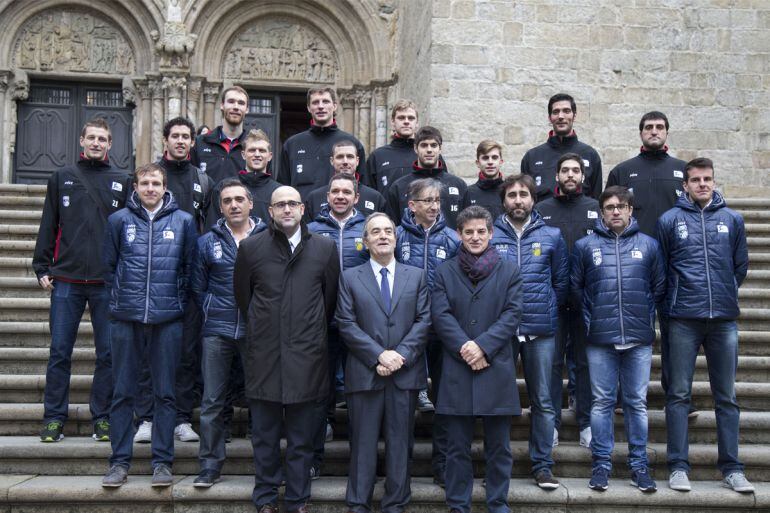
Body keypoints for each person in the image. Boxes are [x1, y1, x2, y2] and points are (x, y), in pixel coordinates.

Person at [234, 186, 340, 513]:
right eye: (280, 204)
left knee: (301, 439)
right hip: (264, 356)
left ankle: (297, 499)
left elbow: (329, 301)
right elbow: (244, 298)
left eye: (293, 203)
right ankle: (265, 498)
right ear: (270, 211)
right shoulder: (251, 249)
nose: (287, 209)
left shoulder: (324, 249)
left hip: (307, 358)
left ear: (303, 209)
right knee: (264, 437)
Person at [658, 158, 753, 494]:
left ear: (714, 181)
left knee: (726, 397)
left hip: (723, 320)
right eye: (695, 179)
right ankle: (678, 466)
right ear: (684, 184)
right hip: (684, 318)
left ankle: (732, 467)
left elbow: (739, 266)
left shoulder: (732, 219)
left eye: (707, 179)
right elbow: (663, 269)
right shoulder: (670, 220)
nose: (702, 184)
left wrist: (724, 293)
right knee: (679, 394)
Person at [34, 118, 131, 443]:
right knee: (60, 351)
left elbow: (126, 233)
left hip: (106, 283)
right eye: (91, 137)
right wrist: (41, 265)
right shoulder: (61, 178)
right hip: (66, 280)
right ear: (81, 140)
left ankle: (101, 417)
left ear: (110, 144)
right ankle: (53, 418)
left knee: (107, 354)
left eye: (103, 138)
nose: (97, 143)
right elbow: (49, 222)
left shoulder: (122, 180)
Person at [101, 163, 198, 488]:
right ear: (136, 187)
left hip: (167, 319)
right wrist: (118, 302)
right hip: (125, 318)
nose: (151, 188)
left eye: (156, 183)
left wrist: (177, 303)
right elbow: (110, 267)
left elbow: (189, 268)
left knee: (165, 393)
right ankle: (119, 462)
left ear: (164, 186)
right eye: (145, 183)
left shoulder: (184, 222)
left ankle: (162, 463)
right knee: (123, 392)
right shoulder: (119, 221)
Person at [571, 185, 665, 493]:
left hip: (638, 338)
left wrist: (644, 319)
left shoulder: (649, 245)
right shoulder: (586, 246)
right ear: (601, 211)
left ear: (629, 210)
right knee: (602, 403)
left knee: (636, 403)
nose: (615, 211)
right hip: (600, 339)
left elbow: (658, 287)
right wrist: (591, 322)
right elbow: (577, 289)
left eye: (620, 206)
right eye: (609, 206)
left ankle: (639, 466)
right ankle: (601, 464)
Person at [335, 212, 431, 513]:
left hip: (404, 373)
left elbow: (424, 320)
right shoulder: (350, 277)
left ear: (396, 236)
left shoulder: (415, 275)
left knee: (400, 442)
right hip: (365, 373)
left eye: (388, 230)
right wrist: (378, 355)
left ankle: (395, 503)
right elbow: (345, 323)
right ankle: (358, 503)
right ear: (366, 240)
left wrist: (398, 356)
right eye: (375, 231)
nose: (383, 235)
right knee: (362, 443)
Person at [431, 206, 523, 513]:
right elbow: (441, 316)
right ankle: (459, 504)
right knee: (456, 448)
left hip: (495, 366)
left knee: (499, 447)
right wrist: (465, 349)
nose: (475, 237)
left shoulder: (509, 269)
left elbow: (512, 314)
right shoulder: (444, 271)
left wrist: (482, 347)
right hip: (457, 368)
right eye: (468, 232)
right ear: (459, 234)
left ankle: (498, 502)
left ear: (491, 233)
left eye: (481, 231)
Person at [134, 116, 214, 445]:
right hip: (153, 278)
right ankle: (148, 417)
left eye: (186, 137)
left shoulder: (203, 180)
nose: (180, 141)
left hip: (190, 280)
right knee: (147, 351)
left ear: (193, 143)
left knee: (186, 353)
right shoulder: (150, 177)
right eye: (175, 136)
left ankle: (182, 417)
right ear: (165, 140)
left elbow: (207, 231)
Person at [607, 111, 690, 417]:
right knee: (623, 329)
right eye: (648, 127)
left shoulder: (683, 171)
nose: (654, 131)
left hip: (674, 267)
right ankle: (618, 396)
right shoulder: (622, 171)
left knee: (674, 335)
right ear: (640, 132)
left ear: (667, 132)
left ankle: (677, 396)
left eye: (659, 127)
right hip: (631, 266)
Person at [491, 174, 569, 489]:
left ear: (533, 199)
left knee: (544, 400)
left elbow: (560, 283)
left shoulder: (552, 235)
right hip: (502, 331)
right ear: (504, 200)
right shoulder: (491, 234)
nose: (518, 200)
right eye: (512, 195)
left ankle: (542, 465)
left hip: (541, 330)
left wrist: (546, 308)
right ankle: (497, 467)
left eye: (524, 194)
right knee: (498, 400)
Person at [191, 179, 266, 487]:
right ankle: (209, 466)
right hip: (217, 330)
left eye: (239, 199)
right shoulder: (207, 242)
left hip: (257, 331)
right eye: (227, 201)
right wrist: (210, 308)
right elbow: (197, 286)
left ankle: (266, 467)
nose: (234, 205)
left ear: (250, 203)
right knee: (212, 401)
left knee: (261, 400)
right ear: (220, 207)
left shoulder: (268, 238)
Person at [395, 177, 460, 486]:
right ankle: (400, 467)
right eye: (427, 201)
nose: (434, 206)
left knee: (445, 399)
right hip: (406, 332)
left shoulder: (452, 240)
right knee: (404, 401)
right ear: (412, 205)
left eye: (437, 200)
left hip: (443, 331)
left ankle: (443, 464)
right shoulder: (395, 237)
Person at [308, 173, 370, 476]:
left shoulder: (369, 229)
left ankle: (361, 460)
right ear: (327, 195)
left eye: (347, 192)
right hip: (321, 322)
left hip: (360, 324)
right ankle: (314, 459)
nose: (341, 196)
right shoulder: (311, 230)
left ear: (356, 197)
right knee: (320, 392)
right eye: (336, 191)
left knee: (360, 390)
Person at [536, 153, 600, 448]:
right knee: (551, 365)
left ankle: (586, 422)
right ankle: (551, 424)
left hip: (587, 300)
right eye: (565, 170)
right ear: (556, 176)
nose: (571, 175)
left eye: (576, 170)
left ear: (583, 176)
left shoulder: (595, 208)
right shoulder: (542, 209)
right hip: (553, 300)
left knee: (585, 363)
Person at [279, 87, 365, 200]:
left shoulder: (352, 144)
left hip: (340, 212)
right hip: (303, 215)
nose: (320, 106)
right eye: (315, 102)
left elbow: (362, 186)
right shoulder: (292, 145)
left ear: (334, 106)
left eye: (325, 101)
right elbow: (283, 188)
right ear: (309, 108)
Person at [520, 93, 602, 202]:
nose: (561, 116)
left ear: (574, 116)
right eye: (556, 112)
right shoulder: (532, 157)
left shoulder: (590, 155)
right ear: (550, 118)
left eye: (566, 111)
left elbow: (596, 200)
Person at [386, 126, 467, 229]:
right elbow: (392, 227)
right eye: (424, 145)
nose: (429, 150)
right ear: (415, 148)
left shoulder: (458, 185)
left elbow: (466, 226)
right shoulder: (399, 187)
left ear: (440, 149)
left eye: (433, 145)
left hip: (450, 244)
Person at [206, 129, 281, 228]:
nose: (257, 154)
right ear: (243, 154)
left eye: (262, 150)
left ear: (270, 156)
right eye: (252, 150)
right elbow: (212, 228)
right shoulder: (223, 188)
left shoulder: (279, 191)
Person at [304, 140, 386, 221]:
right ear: (332, 161)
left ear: (357, 161)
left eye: (350, 157)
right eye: (340, 157)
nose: (345, 162)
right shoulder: (314, 198)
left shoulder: (375, 197)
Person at [364, 99, 423, 195]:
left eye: (411, 118)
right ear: (392, 122)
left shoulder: (427, 155)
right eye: (401, 118)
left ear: (417, 123)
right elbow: (368, 194)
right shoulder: (378, 156)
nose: (406, 122)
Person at [192, 85, 249, 184]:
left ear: (247, 109)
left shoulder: (254, 147)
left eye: (241, 103)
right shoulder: (200, 143)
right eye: (231, 101)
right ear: (222, 105)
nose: (236, 107)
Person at [461, 140, 506, 219]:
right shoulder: (468, 193)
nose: (490, 162)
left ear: (501, 162)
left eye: (494, 157)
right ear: (478, 163)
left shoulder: (508, 191)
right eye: (485, 158)